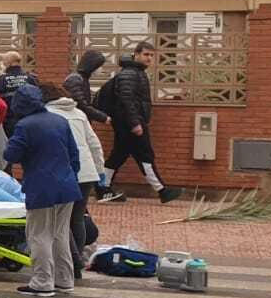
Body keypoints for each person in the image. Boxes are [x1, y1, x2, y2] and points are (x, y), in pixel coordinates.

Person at [3, 84, 81, 298]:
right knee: (60, 234)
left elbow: (11, 154)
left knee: (39, 235)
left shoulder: (25, 125)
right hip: (67, 187)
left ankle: (42, 282)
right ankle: (64, 280)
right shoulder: (60, 121)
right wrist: (69, 176)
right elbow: (74, 155)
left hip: (41, 187)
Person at [103, 41, 181, 203]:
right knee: (145, 155)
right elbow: (127, 100)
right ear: (136, 54)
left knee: (118, 156)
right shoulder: (130, 74)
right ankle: (162, 191)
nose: (149, 58)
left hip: (127, 124)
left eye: (152, 55)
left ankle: (103, 188)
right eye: (146, 54)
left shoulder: (136, 72)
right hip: (130, 124)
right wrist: (135, 123)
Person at [41, 81, 106, 276]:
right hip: (87, 173)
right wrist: (100, 169)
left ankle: (71, 261)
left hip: (62, 172)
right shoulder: (79, 114)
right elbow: (94, 143)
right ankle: (75, 264)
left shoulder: (47, 115)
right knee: (77, 218)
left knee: (60, 220)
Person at [62, 48, 121, 201]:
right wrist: (102, 117)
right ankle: (98, 188)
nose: (100, 70)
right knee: (90, 153)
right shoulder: (76, 80)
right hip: (76, 125)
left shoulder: (81, 79)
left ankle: (100, 188)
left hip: (81, 123)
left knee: (92, 154)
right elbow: (81, 104)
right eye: (99, 66)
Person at [0, 51, 39, 136]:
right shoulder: (31, 79)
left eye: (3, 61)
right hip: (30, 122)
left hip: (8, 124)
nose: (2, 64)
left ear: (8, 63)